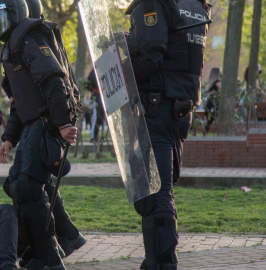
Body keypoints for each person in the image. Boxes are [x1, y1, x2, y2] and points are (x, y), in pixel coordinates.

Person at [0, 0, 84, 269]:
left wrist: (62, 123)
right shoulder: (12, 45)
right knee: (17, 184)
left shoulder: (29, 36)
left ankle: (48, 256)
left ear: (13, 13)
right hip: (32, 124)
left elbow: (54, 79)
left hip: (47, 122)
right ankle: (65, 237)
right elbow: (20, 102)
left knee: (26, 187)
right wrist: (8, 138)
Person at [125, 0, 211, 269]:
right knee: (156, 189)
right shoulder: (195, 5)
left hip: (157, 107)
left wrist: (120, 68)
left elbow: (151, 55)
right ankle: (154, 261)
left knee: (156, 193)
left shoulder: (154, 2)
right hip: (178, 108)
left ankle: (163, 261)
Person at [86, 69, 106, 142]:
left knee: (101, 117)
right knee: (96, 116)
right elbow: (89, 83)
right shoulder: (94, 72)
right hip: (97, 95)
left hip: (104, 95)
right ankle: (93, 136)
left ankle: (97, 135)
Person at [204, 67, 221, 135]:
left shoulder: (210, 82)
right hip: (213, 105)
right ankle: (205, 133)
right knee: (211, 119)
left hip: (209, 105)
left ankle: (205, 133)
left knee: (210, 120)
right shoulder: (217, 82)